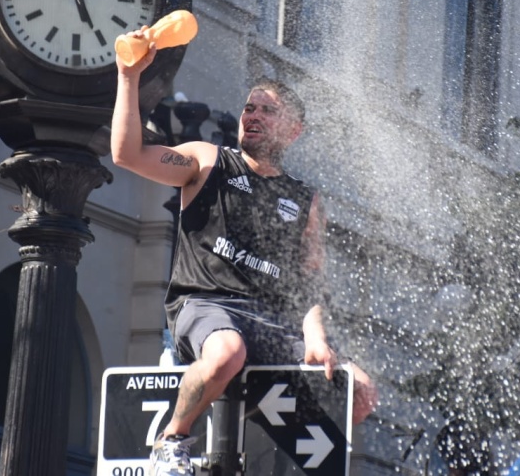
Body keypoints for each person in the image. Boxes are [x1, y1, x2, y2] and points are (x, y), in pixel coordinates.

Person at [110, 29, 378, 476]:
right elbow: (127, 153)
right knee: (226, 354)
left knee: (358, 391)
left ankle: (258, 445)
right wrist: (127, 76)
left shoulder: (306, 200)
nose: (252, 115)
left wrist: (316, 336)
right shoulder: (207, 161)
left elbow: (308, 284)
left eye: (267, 111)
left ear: (294, 130)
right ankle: (171, 441)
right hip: (206, 305)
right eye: (249, 107)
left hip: (269, 321)